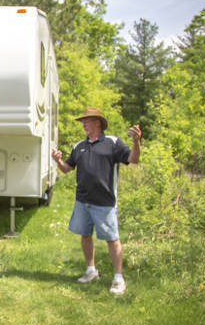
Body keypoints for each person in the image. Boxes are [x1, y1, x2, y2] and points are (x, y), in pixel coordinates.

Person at [51, 107, 141, 295]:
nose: (83, 124)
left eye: (87, 120)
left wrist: (136, 141)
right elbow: (67, 168)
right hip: (82, 201)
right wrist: (57, 161)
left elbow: (133, 159)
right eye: (82, 121)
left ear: (98, 122)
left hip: (105, 203)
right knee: (85, 235)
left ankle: (118, 279)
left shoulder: (113, 143)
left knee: (112, 239)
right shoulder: (79, 146)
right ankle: (91, 271)